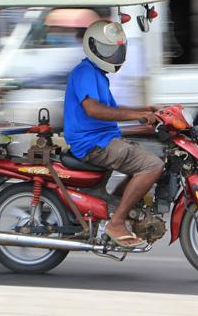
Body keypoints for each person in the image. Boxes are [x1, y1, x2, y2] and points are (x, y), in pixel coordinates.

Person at [63, 20, 163, 248]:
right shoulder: (85, 72)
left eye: (116, 49)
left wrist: (146, 110)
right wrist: (136, 116)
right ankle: (116, 223)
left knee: (146, 161)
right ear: (93, 47)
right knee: (152, 166)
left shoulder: (97, 74)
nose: (113, 54)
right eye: (108, 49)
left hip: (103, 140)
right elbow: (94, 109)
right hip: (93, 143)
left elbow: (112, 110)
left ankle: (120, 211)